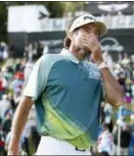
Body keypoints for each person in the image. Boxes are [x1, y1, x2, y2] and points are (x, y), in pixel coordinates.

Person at [8, 13, 124, 155]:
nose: (93, 36)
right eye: (87, 30)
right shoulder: (49, 62)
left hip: (86, 151)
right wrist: (13, 145)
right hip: (55, 148)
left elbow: (118, 100)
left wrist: (100, 61)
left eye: (96, 33)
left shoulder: (97, 70)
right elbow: (25, 104)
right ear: (71, 34)